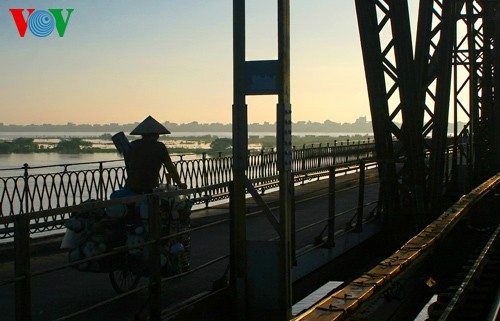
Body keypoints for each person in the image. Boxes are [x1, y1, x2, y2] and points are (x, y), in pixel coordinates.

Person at [124, 116, 187, 194]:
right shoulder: (159, 147)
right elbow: (170, 168)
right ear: (157, 135)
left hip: (131, 186)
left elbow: (128, 163)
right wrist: (179, 184)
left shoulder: (133, 145)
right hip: (148, 187)